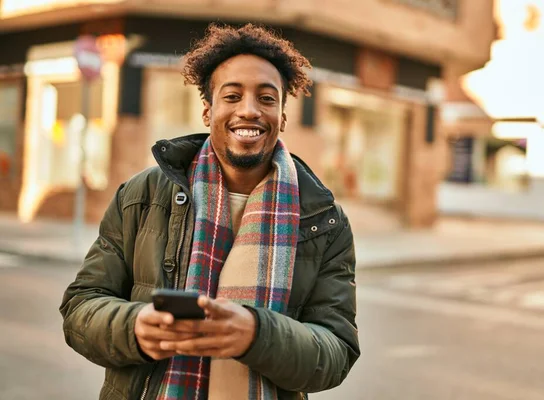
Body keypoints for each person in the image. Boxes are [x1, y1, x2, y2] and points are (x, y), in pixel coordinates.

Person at [60, 23, 359, 400]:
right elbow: (80, 308)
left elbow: (336, 352)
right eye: (232, 96)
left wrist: (257, 334)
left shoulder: (323, 222)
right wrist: (134, 327)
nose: (249, 111)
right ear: (208, 110)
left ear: (282, 116)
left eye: (267, 99)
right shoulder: (142, 196)